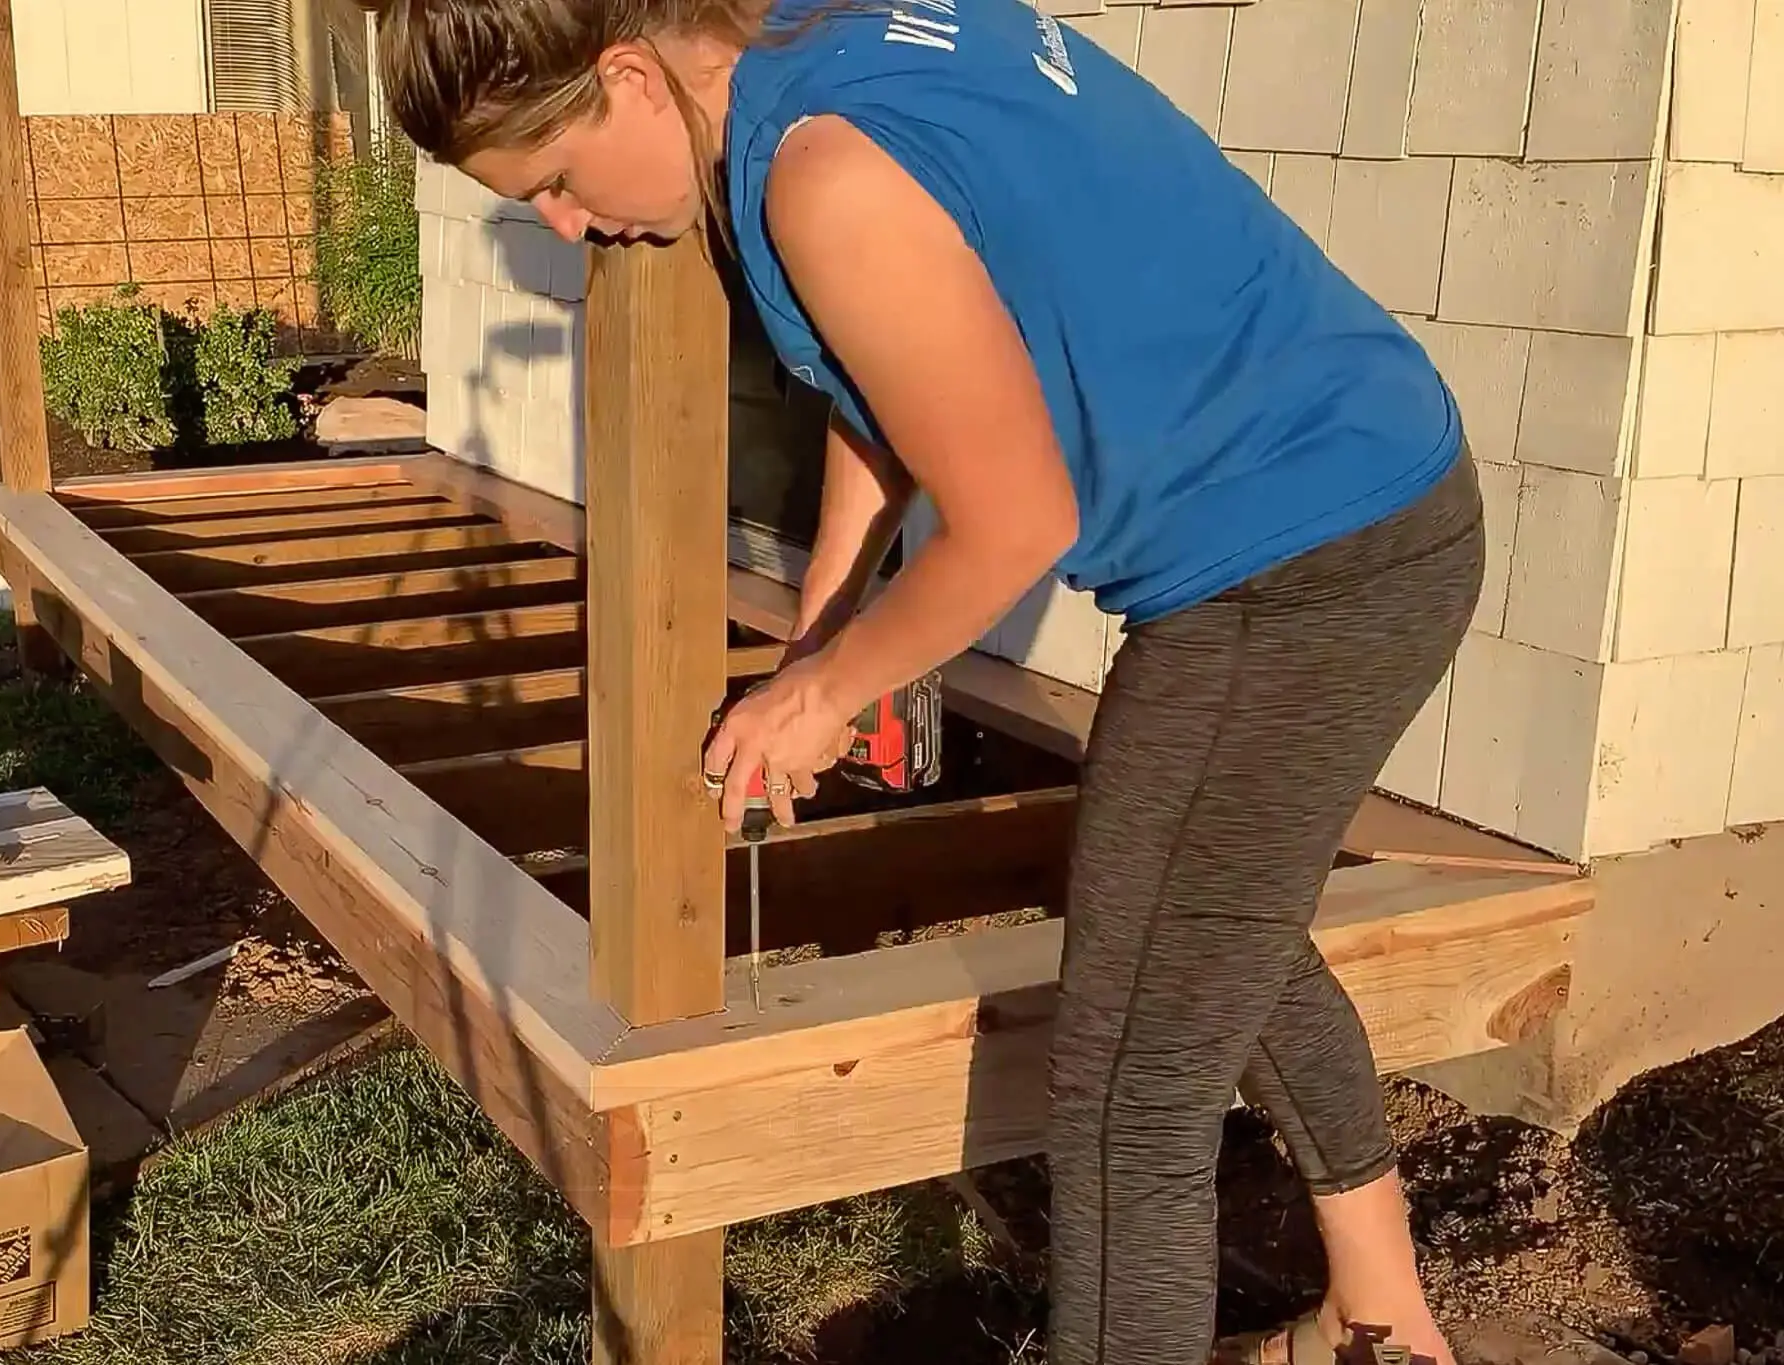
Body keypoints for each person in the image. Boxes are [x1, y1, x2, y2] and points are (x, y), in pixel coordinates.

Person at [374, 0, 1484, 1358]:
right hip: (1358, 489)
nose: (561, 223)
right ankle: (1387, 1316)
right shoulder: (810, 43)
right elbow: (887, 378)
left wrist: (835, 690)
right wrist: (826, 636)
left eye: (552, 179)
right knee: (1203, 924)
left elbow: (1018, 523)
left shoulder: (822, 174)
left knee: (1133, 1080)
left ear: (627, 76)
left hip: (1293, 565)